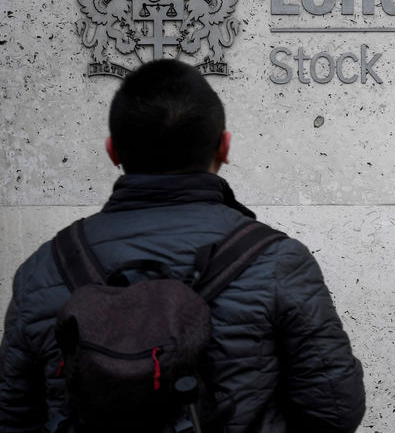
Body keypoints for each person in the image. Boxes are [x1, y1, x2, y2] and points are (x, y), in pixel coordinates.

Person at [0, 59, 366, 432]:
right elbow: (336, 412)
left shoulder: (43, 269)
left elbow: (13, 418)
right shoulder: (277, 262)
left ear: (113, 152)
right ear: (224, 147)